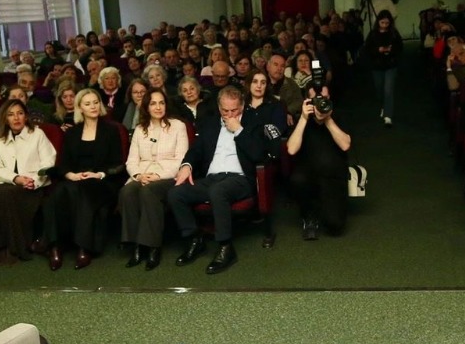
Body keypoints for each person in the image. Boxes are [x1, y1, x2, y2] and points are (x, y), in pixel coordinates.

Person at [167, 85, 283, 275]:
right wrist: (186, 165)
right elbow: (196, 150)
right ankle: (195, 239)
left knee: (218, 191)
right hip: (211, 177)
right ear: (219, 108)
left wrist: (239, 131)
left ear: (242, 106)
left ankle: (225, 247)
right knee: (175, 193)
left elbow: (259, 155)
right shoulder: (210, 124)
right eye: (225, 110)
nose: (229, 114)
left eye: (234, 110)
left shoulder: (254, 123)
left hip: (239, 179)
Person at [41, 87, 123, 270]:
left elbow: (117, 163)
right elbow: (63, 163)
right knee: (58, 192)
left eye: (96, 102)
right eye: (87, 104)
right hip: (76, 178)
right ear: (80, 108)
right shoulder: (72, 132)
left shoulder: (111, 130)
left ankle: (83, 247)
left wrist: (99, 174)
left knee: (84, 192)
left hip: (102, 180)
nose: (93, 106)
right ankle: (55, 246)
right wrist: (70, 174)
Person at [0, 99, 55, 266]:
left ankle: (12, 249)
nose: (16, 118)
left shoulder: (37, 134)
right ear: (5, 118)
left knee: (4, 195)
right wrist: (15, 179)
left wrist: (34, 181)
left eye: (20, 113)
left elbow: (49, 162)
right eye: (11, 114)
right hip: (6, 183)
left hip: (32, 186)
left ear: (26, 116)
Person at [118, 87, 188, 269]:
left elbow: (182, 159)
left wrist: (157, 175)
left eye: (161, 102)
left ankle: (152, 246)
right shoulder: (140, 129)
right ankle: (136, 246)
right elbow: (131, 160)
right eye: (153, 103)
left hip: (167, 176)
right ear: (147, 107)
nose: (158, 107)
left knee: (148, 191)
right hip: (142, 175)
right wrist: (138, 175)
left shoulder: (177, 126)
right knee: (127, 192)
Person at [286, 85, 353, 239]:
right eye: (317, 99)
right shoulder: (303, 119)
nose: (321, 103)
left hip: (333, 177)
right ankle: (308, 215)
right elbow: (291, 149)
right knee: (297, 179)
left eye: (325, 98)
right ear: (308, 101)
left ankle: (326, 206)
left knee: (335, 226)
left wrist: (328, 119)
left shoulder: (339, 116)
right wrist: (303, 118)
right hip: (309, 175)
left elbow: (345, 144)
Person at [362, 10, 403, 125]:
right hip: (377, 66)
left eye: (387, 23)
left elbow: (400, 47)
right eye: (382, 22)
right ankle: (383, 107)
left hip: (390, 65)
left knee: (388, 90)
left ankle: (388, 115)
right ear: (378, 22)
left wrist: (391, 50)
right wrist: (378, 50)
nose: (385, 25)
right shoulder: (373, 34)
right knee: (379, 90)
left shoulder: (394, 33)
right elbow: (367, 49)